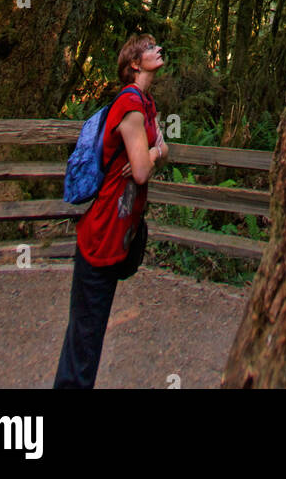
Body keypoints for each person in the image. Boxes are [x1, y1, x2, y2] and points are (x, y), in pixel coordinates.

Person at [53, 33, 169, 388]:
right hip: (102, 232)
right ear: (134, 64)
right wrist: (150, 156)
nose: (158, 50)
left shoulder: (147, 104)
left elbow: (163, 147)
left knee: (91, 328)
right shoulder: (131, 106)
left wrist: (154, 152)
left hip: (122, 230)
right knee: (86, 335)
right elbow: (142, 171)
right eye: (150, 49)